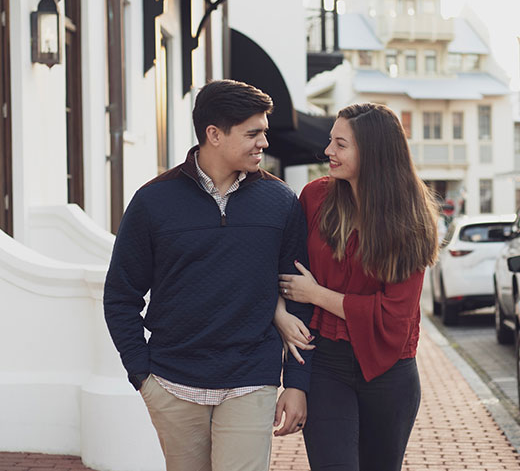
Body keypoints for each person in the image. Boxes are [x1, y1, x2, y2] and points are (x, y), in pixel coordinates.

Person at [103, 79, 313, 471]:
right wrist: (141, 374)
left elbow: (299, 295)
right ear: (214, 134)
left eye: (264, 132)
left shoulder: (280, 201)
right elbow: (120, 294)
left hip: (252, 379)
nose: (263, 143)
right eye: (253, 133)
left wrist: (297, 383)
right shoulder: (153, 201)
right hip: (172, 383)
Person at [274, 103, 438, 471]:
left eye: (340, 144)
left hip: (389, 371)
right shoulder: (315, 198)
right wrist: (281, 313)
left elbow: (393, 316)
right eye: (331, 141)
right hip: (326, 363)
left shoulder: (412, 218)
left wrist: (317, 295)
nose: (328, 151)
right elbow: (286, 274)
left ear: (373, 152)